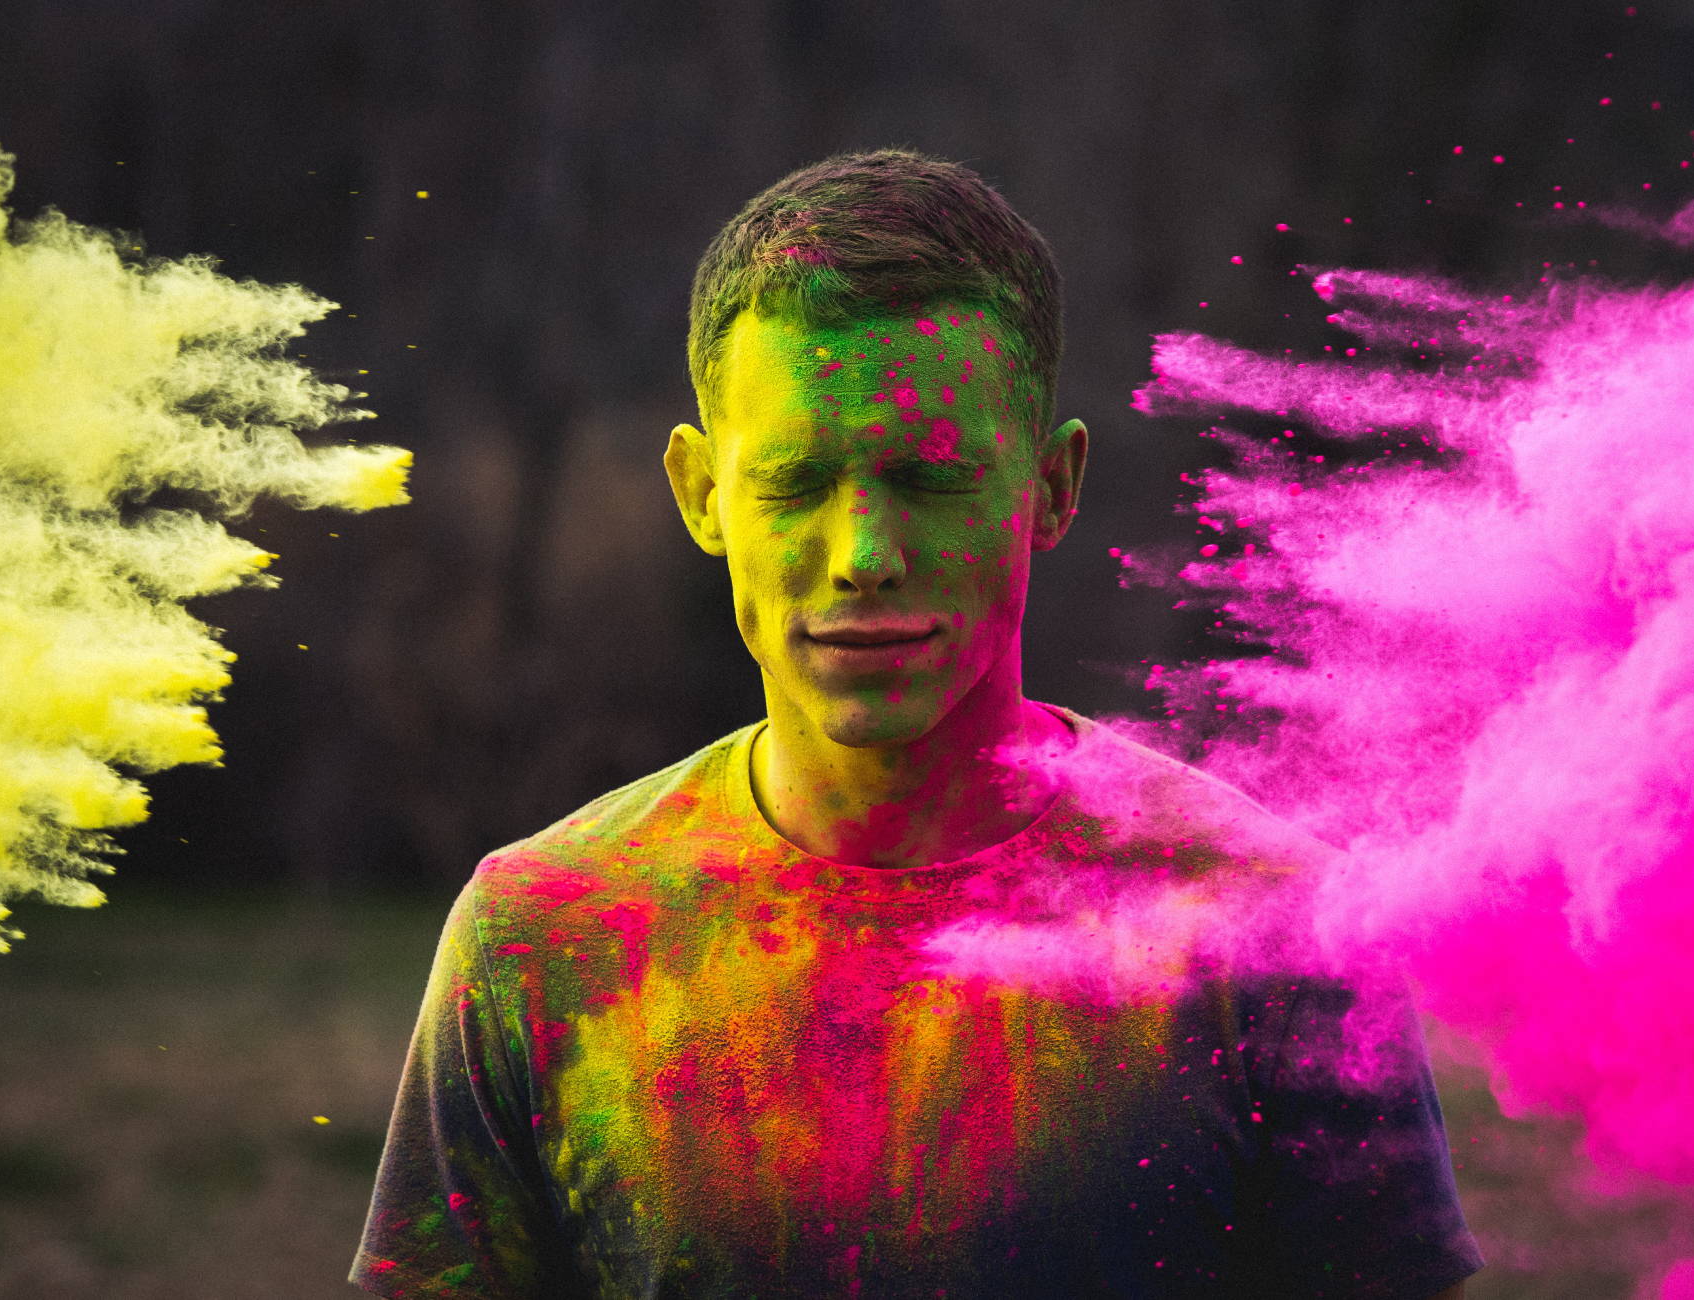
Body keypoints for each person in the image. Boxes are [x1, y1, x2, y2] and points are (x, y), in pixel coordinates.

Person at [350, 148, 1482, 1299]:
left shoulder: (1268, 929)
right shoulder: (543, 939)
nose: (863, 556)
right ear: (700, 494)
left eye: (932, 475)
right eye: (793, 482)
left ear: (1049, 487)